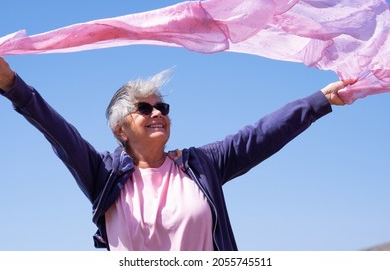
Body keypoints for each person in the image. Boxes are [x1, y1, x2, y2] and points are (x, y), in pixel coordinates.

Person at [0, 56, 356, 251]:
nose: (157, 113)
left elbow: (261, 134)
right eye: (144, 108)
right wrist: (12, 85)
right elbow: (57, 131)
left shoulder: (202, 165)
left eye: (162, 107)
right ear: (119, 129)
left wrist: (320, 100)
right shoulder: (102, 174)